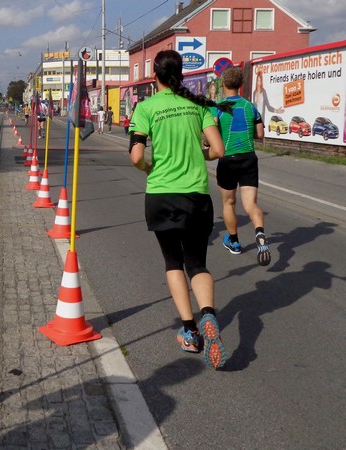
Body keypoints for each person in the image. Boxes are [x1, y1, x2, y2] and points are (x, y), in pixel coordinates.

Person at [128, 49, 230, 370]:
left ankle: (189, 330)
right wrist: (201, 154)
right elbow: (218, 149)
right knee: (197, 263)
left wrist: (148, 168)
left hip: (161, 195)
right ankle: (208, 315)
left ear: (154, 75)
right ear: (180, 73)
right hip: (196, 195)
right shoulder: (198, 105)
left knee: (173, 262)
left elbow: (135, 156)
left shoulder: (145, 107)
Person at [213, 66, 271, 266]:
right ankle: (260, 233)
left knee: (229, 203)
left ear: (223, 83)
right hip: (248, 158)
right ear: (241, 85)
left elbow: (210, 137)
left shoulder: (218, 107)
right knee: (250, 204)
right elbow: (260, 134)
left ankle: (234, 242)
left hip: (227, 159)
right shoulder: (250, 106)